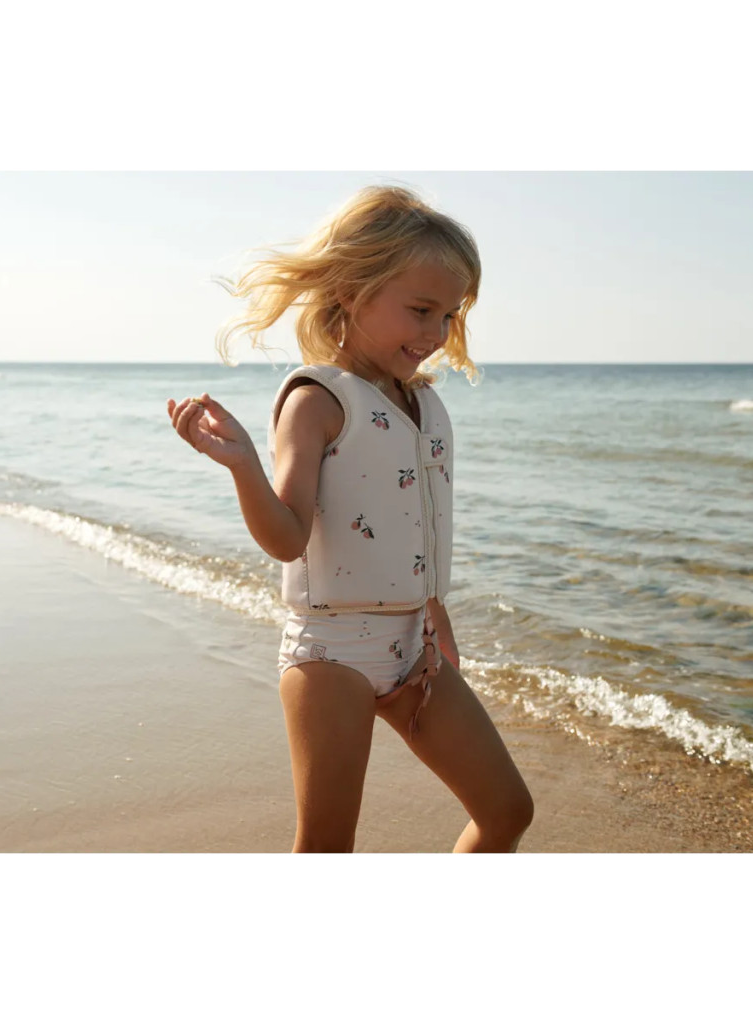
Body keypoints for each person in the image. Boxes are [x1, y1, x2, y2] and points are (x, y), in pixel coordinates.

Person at [167, 185, 533, 852]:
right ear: (351, 292)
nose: (435, 334)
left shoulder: (423, 404)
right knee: (327, 847)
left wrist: (436, 610)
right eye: (420, 310)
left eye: (449, 315)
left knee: (508, 810)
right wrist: (243, 464)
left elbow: (418, 525)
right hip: (331, 652)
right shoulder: (318, 400)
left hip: (416, 645)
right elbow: (286, 539)